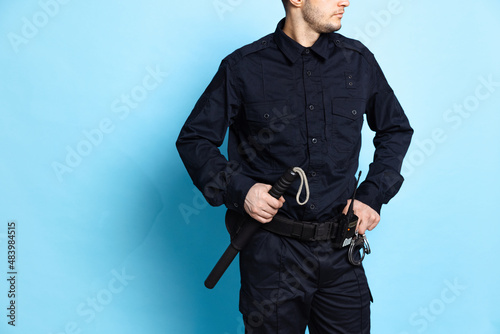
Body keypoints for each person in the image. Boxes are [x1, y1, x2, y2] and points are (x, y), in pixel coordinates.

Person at [176, 0, 413, 332]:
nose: (345, 1)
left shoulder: (358, 62)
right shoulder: (243, 67)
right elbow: (195, 139)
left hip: (341, 250)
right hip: (271, 255)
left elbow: (395, 129)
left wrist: (372, 195)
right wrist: (241, 191)